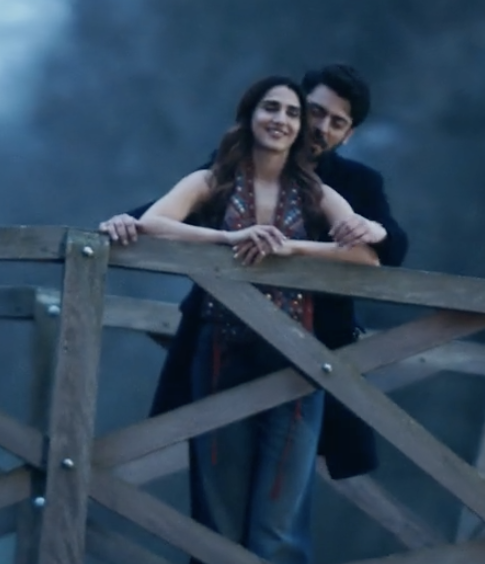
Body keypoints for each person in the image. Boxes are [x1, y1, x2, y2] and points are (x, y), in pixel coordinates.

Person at [100, 64, 409, 486]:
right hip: (222, 340)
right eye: (315, 112)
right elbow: (183, 207)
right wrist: (128, 221)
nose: (321, 128)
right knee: (219, 480)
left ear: (348, 134)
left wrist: (375, 229)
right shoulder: (241, 163)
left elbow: (388, 249)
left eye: (337, 123)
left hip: (314, 352)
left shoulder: (355, 182)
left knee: (284, 491)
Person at [125, 75, 380, 563]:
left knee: (279, 521)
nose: (280, 119)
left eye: (291, 113)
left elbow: (365, 255)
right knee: (219, 512)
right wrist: (227, 240)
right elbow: (154, 222)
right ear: (249, 115)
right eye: (270, 108)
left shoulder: (315, 190)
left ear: (299, 128)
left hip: (297, 360)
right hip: (220, 354)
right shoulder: (213, 180)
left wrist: (291, 249)